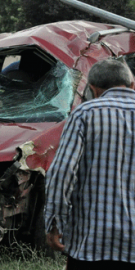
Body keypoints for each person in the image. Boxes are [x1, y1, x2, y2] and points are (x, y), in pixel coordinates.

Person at [45, 58, 135, 269]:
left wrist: (54, 223)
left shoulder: (85, 113)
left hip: (92, 243)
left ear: (93, 89)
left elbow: (61, 172)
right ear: (132, 85)